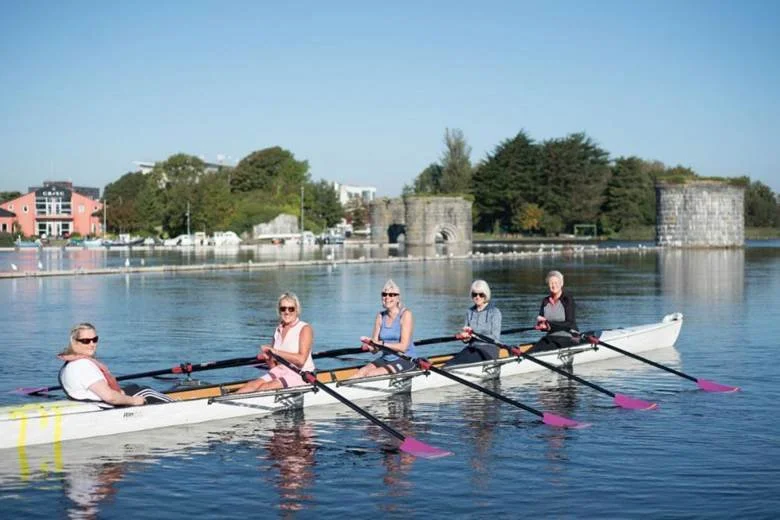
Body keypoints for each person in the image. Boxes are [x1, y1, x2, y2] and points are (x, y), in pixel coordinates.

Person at [58, 323, 173, 406]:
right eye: (86, 341)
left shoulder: (69, 364)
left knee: (134, 387)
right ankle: (179, 406)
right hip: (105, 407)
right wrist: (134, 401)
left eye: (95, 339)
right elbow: (110, 397)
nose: (92, 344)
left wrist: (123, 394)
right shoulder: (82, 365)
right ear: (74, 342)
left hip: (91, 401)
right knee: (146, 392)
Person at [235, 292, 315, 393]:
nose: (287, 312)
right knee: (249, 387)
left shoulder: (304, 328)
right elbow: (273, 365)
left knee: (263, 389)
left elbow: (301, 360)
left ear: (297, 310)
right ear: (279, 311)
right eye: (283, 308)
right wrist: (269, 358)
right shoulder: (278, 329)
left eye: (291, 309)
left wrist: (275, 351)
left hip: (301, 375)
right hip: (280, 371)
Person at [351, 280, 417, 378]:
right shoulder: (380, 316)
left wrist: (381, 344)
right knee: (361, 372)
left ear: (398, 298)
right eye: (384, 294)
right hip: (386, 359)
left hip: (406, 359)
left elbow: (403, 347)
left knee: (371, 374)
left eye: (391, 295)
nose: (387, 297)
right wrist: (370, 345)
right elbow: (374, 350)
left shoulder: (406, 314)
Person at [444, 279, 503, 366]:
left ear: (486, 295)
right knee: (449, 363)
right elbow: (467, 339)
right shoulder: (469, 312)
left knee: (455, 364)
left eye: (481, 294)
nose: (477, 297)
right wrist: (465, 337)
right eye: (474, 294)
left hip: (489, 350)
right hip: (472, 348)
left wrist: (474, 335)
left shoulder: (494, 312)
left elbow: (495, 338)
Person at [532, 270, 578, 352]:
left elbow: (570, 323)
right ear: (548, 285)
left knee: (544, 350)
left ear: (561, 283)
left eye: (556, 282)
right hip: (551, 336)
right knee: (532, 351)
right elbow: (543, 323)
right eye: (551, 283)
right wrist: (542, 326)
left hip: (569, 336)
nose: (554, 285)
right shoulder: (545, 301)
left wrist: (550, 325)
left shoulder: (567, 299)